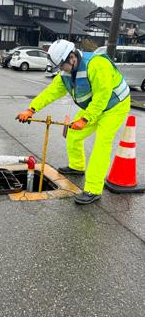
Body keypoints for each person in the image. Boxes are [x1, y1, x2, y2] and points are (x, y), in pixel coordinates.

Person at [16, 39, 130, 204]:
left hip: (115, 106)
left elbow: (102, 97)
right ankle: (77, 166)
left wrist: (85, 119)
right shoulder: (66, 74)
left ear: (72, 57)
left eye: (62, 66)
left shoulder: (97, 65)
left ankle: (93, 189)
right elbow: (51, 92)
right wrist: (31, 109)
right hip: (94, 106)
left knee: (101, 145)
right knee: (73, 133)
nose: (61, 70)